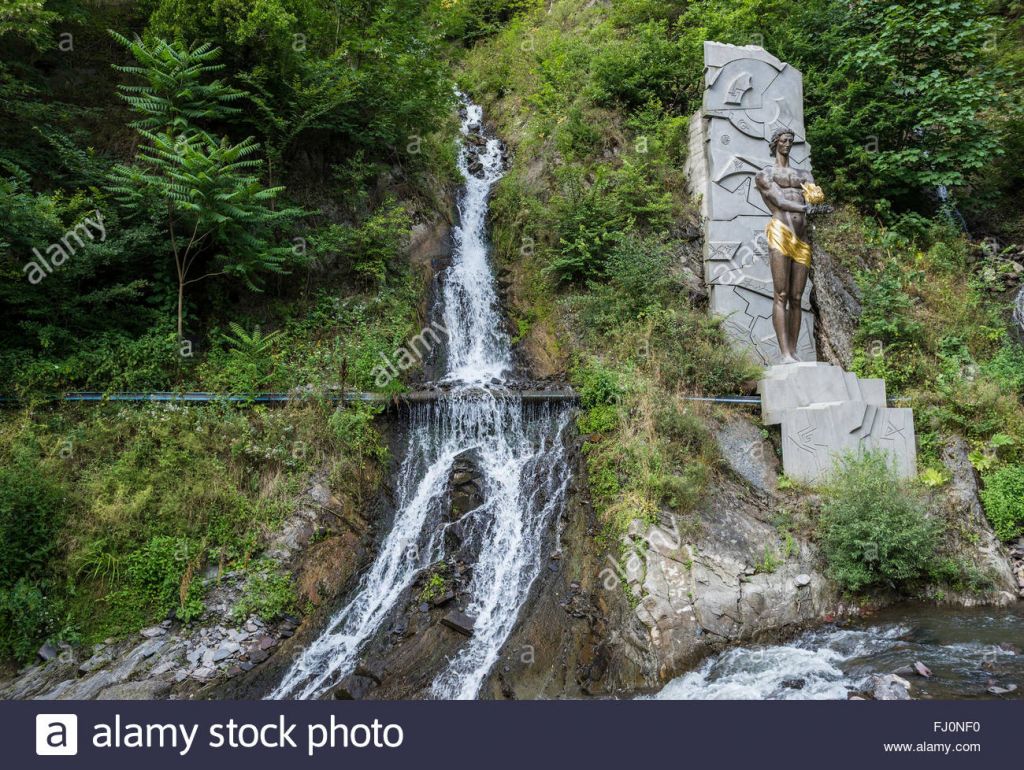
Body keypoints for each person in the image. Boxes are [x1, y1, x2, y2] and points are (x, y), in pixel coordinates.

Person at [754, 128, 828, 363]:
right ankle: (784, 353)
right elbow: (779, 201)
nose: (787, 144)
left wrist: (817, 202)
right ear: (775, 143)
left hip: (802, 237)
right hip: (781, 232)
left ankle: (793, 352)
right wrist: (807, 208)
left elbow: (815, 196)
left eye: (791, 141)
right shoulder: (765, 174)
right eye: (784, 141)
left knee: (797, 297)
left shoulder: (804, 174)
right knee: (781, 293)